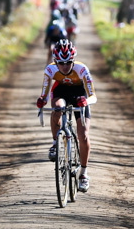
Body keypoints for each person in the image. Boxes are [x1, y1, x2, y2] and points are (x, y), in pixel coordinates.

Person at [36, 39, 97, 193]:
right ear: (55, 61)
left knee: (83, 135)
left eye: (68, 62)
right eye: (60, 63)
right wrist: (42, 100)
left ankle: (83, 174)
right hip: (61, 93)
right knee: (56, 108)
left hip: (79, 95)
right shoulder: (50, 70)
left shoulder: (82, 69)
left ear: (73, 60)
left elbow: (93, 96)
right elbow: (44, 94)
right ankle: (55, 142)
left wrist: (86, 100)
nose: (64, 66)